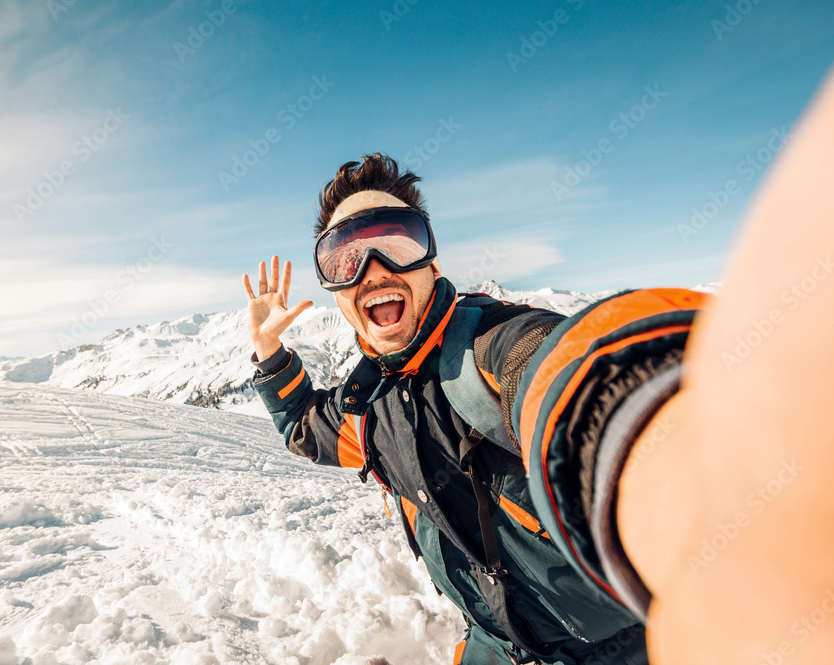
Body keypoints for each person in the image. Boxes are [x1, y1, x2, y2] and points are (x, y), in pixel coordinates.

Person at [242, 71, 834, 665]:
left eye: (396, 244)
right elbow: (304, 430)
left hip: (619, 647)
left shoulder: (490, 348)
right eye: (344, 258)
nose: (371, 269)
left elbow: (562, 376)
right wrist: (270, 355)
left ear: (432, 261)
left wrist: (701, 490)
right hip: (494, 649)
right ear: (335, 290)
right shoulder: (369, 408)